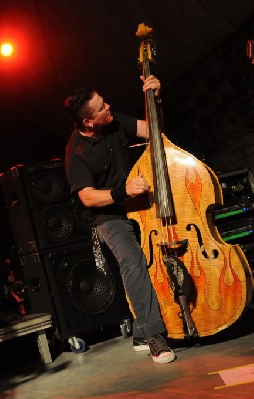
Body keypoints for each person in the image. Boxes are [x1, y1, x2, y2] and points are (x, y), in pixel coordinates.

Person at [63, 74, 176, 364]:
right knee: (133, 260)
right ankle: (153, 336)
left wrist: (155, 98)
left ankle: (140, 330)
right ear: (88, 122)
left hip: (137, 203)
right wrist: (121, 191)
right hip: (108, 215)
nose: (108, 107)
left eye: (104, 102)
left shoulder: (113, 121)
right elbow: (87, 197)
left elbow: (153, 130)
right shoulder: (76, 153)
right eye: (101, 107)